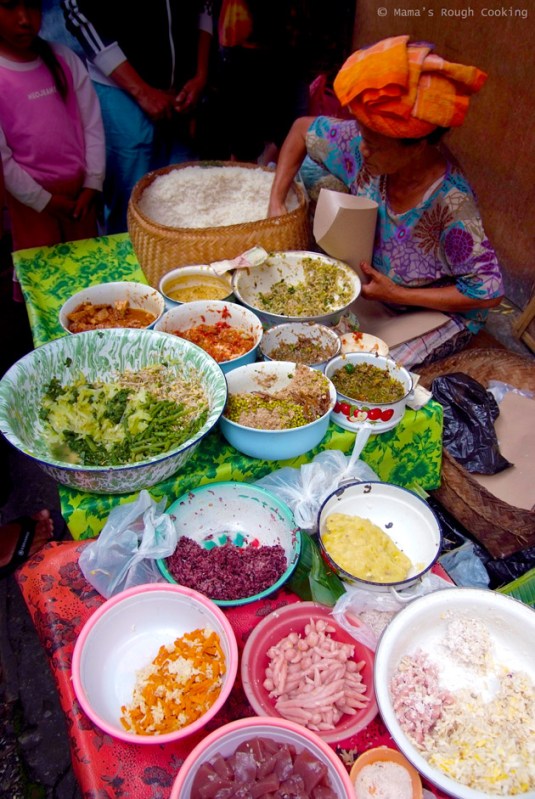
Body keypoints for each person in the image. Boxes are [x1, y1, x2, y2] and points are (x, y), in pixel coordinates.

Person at [268, 35, 504, 369]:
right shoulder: (365, 145)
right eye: (364, 138)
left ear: (417, 146)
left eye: (375, 145)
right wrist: (276, 202)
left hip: (434, 310)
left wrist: (397, 295)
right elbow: (300, 131)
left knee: (362, 368)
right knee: (305, 333)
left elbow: (488, 292)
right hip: (378, 289)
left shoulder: (452, 204)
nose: (363, 149)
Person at [62, 0, 214, 234]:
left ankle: (180, 268)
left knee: (186, 199)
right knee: (130, 204)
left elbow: (205, 4)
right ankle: (126, 266)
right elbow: (80, 14)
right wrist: (141, 91)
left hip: (185, 91)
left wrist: (201, 75)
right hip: (120, 90)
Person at [0, 0, 105, 255]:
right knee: (42, 274)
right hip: (30, 202)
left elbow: (92, 123)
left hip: (80, 198)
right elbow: (3, 159)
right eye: (9, 6)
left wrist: (93, 182)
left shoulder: (64, 58)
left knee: (86, 266)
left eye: (32, 6)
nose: (24, 19)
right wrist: (43, 200)